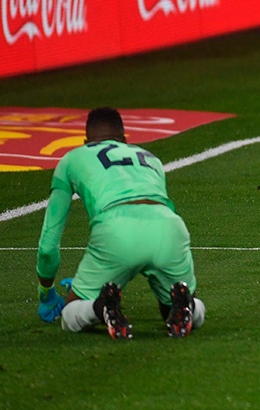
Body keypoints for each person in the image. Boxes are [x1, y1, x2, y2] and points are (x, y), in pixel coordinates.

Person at [35, 107, 205, 339]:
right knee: (171, 308)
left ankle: (100, 306)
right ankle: (190, 307)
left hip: (117, 231)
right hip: (168, 226)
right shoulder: (150, 158)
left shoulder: (72, 159)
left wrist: (46, 292)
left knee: (70, 316)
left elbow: (48, 245)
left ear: (86, 141)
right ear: (125, 139)